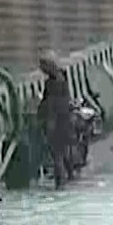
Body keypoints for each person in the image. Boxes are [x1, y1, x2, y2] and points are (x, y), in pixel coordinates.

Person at [38, 54, 74, 189]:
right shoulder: (63, 77)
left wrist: (47, 120)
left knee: (57, 154)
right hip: (65, 119)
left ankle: (60, 182)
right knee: (63, 151)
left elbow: (50, 104)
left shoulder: (52, 83)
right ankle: (68, 174)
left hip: (56, 121)